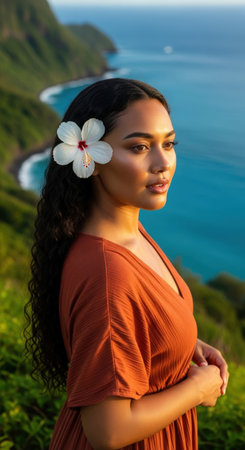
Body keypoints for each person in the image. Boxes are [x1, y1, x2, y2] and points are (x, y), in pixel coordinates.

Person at [25, 78, 229, 450]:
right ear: (92, 160)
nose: (162, 162)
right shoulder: (107, 273)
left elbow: (131, 325)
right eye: (139, 147)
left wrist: (181, 343)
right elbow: (108, 431)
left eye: (168, 144)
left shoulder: (127, 235)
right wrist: (198, 388)